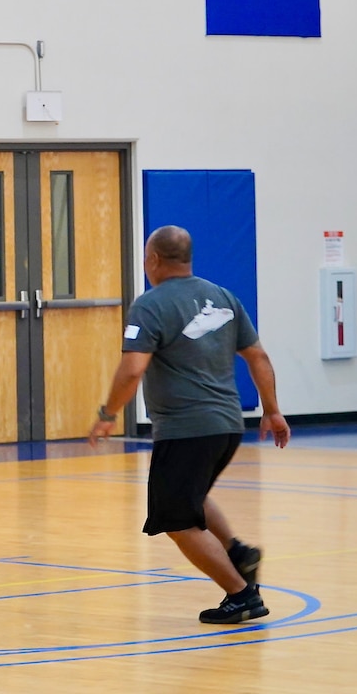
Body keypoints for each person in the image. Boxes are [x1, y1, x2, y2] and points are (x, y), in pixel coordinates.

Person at [87, 225, 288, 625]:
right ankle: (237, 553)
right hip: (228, 425)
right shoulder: (223, 297)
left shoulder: (150, 305)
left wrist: (108, 414)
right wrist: (272, 410)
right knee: (188, 496)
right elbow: (258, 357)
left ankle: (240, 594)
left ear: (154, 260)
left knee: (175, 519)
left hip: (186, 427)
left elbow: (132, 370)